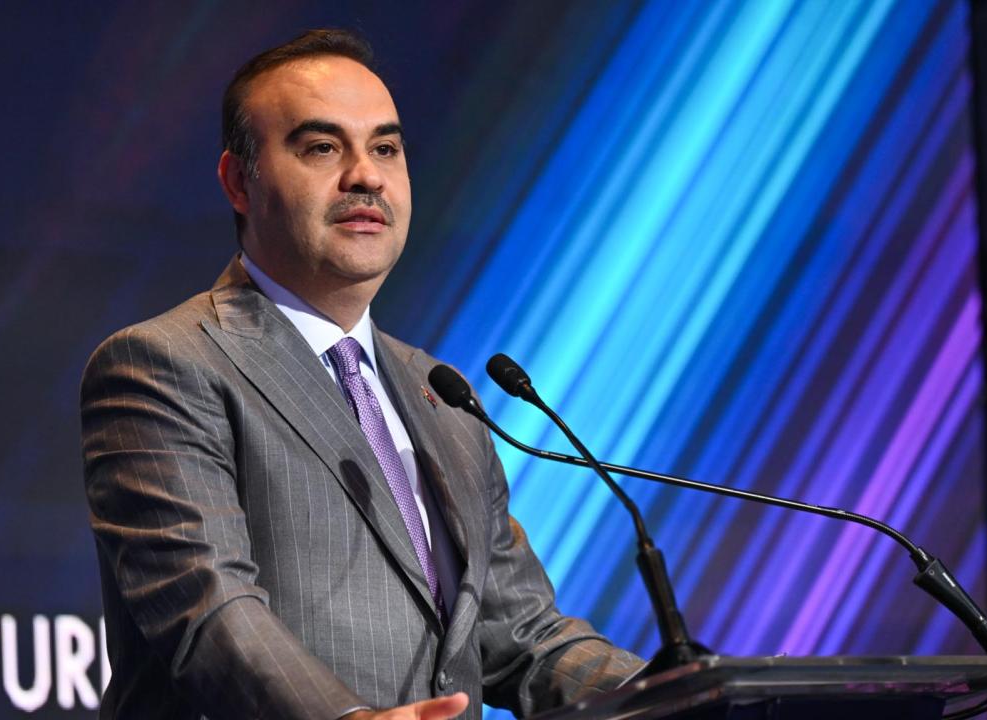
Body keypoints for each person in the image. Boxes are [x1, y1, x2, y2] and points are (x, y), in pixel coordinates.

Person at [80, 28, 643, 719]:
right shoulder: (165, 366)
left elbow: (523, 638)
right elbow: (209, 610)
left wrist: (686, 695)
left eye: (385, 149)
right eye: (322, 148)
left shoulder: (441, 395)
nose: (366, 177)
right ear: (238, 182)